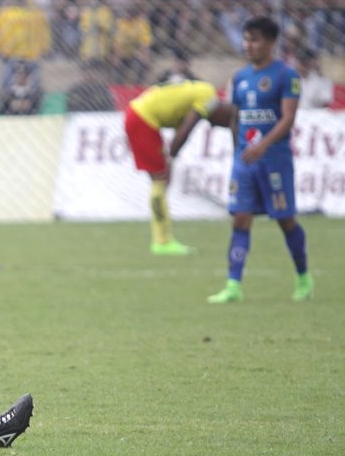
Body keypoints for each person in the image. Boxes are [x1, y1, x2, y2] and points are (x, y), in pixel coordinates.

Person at [210, 16, 311, 304]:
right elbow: (236, 118)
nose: (248, 45)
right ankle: (233, 285)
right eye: (245, 39)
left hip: (274, 160)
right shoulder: (240, 77)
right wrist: (237, 151)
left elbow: (288, 119)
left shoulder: (286, 76)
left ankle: (303, 276)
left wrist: (263, 146)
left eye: (254, 40)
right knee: (240, 219)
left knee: (284, 219)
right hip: (245, 161)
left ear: (270, 42)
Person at [125, 76, 227, 256]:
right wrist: (171, 157)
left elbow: (174, 111)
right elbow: (186, 128)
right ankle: (162, 242)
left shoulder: (201, 91)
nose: (213, 124)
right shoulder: (209, 97)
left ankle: (162, 239)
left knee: (162, 178)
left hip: (138, 113)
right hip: (143, 118)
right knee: (160, 178)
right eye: (220, 122)